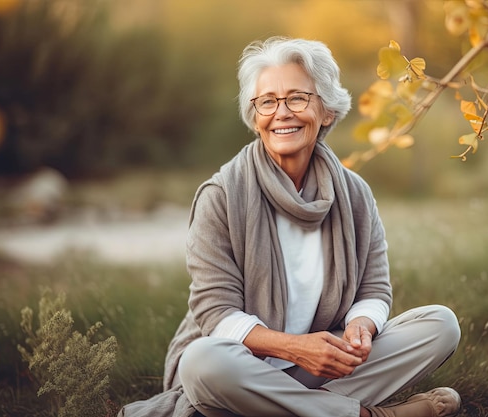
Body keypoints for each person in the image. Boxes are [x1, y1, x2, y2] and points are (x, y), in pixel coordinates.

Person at [119, 37, 462, 417]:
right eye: (267, 101)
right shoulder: (221, 195)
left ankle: (290, 408)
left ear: (327, 111)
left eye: (297, 98)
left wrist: (361, 327)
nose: (281, 112)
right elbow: (215, 311)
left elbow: (374, 288)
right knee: (202, 361)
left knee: (440, 325)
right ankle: (366, 414)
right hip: (243, 370)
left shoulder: (355, 195)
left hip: (322, 368)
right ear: (255, 116)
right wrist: (295, 348)